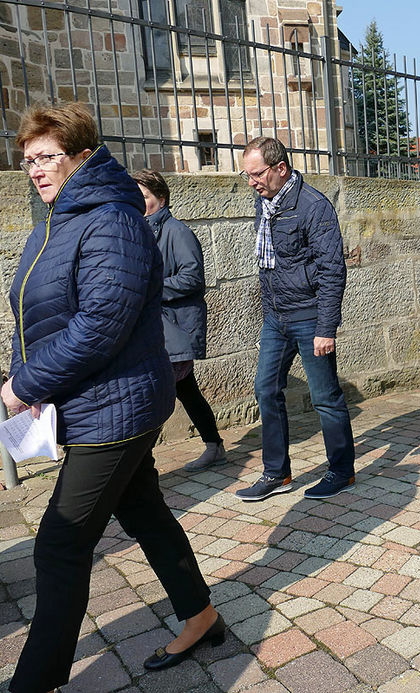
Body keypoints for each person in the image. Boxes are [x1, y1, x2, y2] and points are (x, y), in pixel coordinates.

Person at [2, 102, 222, 691]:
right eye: (27, 160)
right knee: (144, 509)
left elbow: (102, 323)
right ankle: (201, 615)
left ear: (81, 155)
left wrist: (23, 386)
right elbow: (38, 313)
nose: (36, 169)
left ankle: (35, 681)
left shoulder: (110, 220)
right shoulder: (57, 219)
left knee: (58, 546)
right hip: (91, 402)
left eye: (47, 157)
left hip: (118, 407)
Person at [235, 136, 355, 501]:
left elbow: (333, 270)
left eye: (256, 174)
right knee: (265, 389)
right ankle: (277, 473)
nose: (252, 182)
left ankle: (341, 471)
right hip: (275, 317)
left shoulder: (313, 207)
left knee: (325, 397)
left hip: (309, 318)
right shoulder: (266, 204)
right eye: (247, 176)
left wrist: (325, 328)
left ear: (280, 169)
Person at [132, 169, 226, 471]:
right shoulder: (141, 230)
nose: (138, 202)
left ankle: (136, 463)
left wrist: (151, 288)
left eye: (144, 196)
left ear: (161, 198)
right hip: (155, 328)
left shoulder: (177, 231)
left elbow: (192, 278)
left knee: (154, 395)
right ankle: (214, 446)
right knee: (187, 391)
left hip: (173, 327)